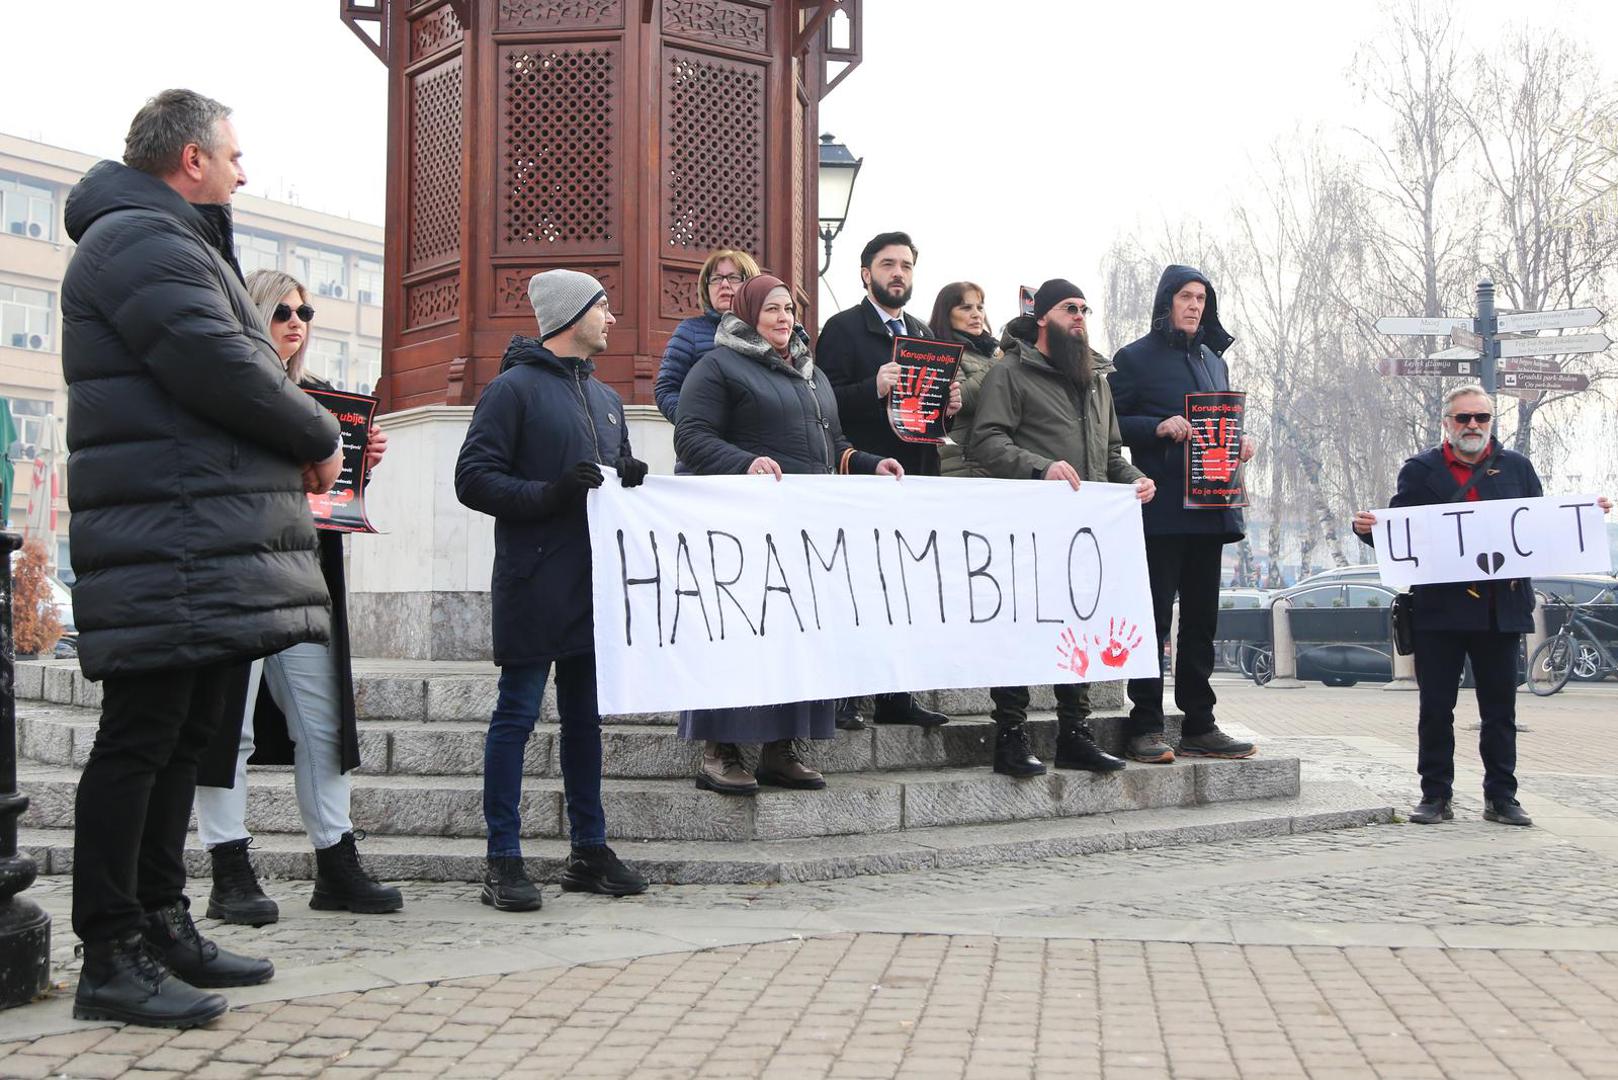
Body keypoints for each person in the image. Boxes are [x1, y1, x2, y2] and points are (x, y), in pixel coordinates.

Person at [61, 89, 343, 1028]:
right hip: (167, 534)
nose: (242, 171)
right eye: (231, 155)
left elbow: (239, 359)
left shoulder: (170, 236)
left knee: (185, 737)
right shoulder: (140, 240)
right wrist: (316, 431)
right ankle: (110, 951)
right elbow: (222, 362)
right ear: (189, 159)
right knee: (141, 740)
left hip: (198, 529)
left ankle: (160, 919)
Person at [192, 270, 401, 927]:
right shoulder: (224, 394)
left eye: (305, 310)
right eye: (281, 309)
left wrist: (357, 463)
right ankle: (228, 869)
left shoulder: (317, 404)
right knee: (231, 727)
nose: (296, 321)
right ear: (252, 314)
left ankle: (336, 863)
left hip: (305, 580)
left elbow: (326, 497)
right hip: (238, 579)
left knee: (325, 724)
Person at [455, 268, 651, 911]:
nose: (612, 318)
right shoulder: (510, 391)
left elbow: (601, 486)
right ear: (572, 316)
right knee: (515, 715)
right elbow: (473, 480)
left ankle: (588, 851)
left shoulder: (607, 399)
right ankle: (502, 859)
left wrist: (627, 478)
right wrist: (550, 494)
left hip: (592, 585)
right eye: (603, 308)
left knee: (584, 722)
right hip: (534, 579)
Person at [674, 275, 905, 794]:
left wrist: (871, 464)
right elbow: (691, 436)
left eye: (791, 310)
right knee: (737, 636)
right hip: (744, 529)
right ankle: (719, 749)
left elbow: (834, 444)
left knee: (799, 638)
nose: (785, 318)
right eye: (774, 309)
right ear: (749, 313)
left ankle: (782, 748)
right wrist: (745, 462)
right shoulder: (717, 365)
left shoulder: (811, 374)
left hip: (805, 530)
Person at [1352, 385, 1613, 827]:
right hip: (1440, 611)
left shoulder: (1517, 467)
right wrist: (1367, 530)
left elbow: (1541, 528)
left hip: (1500, 609)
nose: (1473, 425)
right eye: (1463, 418)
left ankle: (1502, 797)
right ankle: (1435, 796)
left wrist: (1585, 517)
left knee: (1500, 711)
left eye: (1481, 418)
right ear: (1446, 424)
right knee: (1436, 709)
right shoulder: (1420, 470)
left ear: (1492, 421)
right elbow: (1401, 536)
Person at [972, 280, 1155, 776]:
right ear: (1042, 320)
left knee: (1077, 631)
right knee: (1020, 631)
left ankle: (1075, 732)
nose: (1079, 316)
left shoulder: (1096, 379)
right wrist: (1041, 468)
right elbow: (985, 442)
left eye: (1083, 308)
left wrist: (1137, 480)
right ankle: (1010, 735)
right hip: (1026, 529)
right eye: (1068, 308)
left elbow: (1111, 453)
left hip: (1084, 535)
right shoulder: (1010, 372)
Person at [1109, 265, 1257, 764]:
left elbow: (1221, 419)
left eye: (1201, 298)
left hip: (1213, 509)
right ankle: (1145, 724)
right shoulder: (1133, 358)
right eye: (1185, 297)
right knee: (1152, 619)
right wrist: (1158, 427)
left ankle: (1200, 723)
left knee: (1201, 622)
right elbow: (1111, 426)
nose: (1194, 306)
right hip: (1163, 508)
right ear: (1165, 302)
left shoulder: (1214, 359)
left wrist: (1240, 444)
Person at [817, 231, 961, 731]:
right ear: (866, 274)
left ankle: (897, 694)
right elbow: (822, 401)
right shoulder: (841, 328)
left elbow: (928, 413)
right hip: (863, 477)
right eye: (888, 264)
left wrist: (949, 407)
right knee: (858, 587)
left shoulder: (924, 333)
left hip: (916, 476)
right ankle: (847, 695)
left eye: (906, 265)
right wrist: (871, 387)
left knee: (905, 589)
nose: (898, 273)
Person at [653, 248, 761, 431]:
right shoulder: (690, 331)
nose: (724, 285)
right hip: (705, 448)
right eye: (716, 278)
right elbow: (666, 389)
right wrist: (698, 423)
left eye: (734, 277)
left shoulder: (766, 332)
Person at [930, 281, 1002, 478]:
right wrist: (1000, 362)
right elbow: (962, 398)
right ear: (946, 313)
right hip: (962, 466)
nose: (976, 314)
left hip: (995, 464)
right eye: (966, 307)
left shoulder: (991, 353)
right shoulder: (940, 353)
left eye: (980, 307)